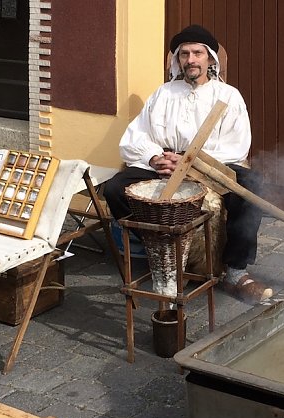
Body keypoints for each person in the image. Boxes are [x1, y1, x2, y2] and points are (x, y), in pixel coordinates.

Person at [104, 24, 272, 303]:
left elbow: (236, 145)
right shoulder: (163, 93)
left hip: (212, 165)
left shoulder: (228, 96)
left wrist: (191, 162)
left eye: (197, 53)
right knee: (114, 188)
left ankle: (234, 271)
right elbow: (137, 135)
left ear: (210, 59)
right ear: (178, 60)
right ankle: (157, 249)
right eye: (184, 54)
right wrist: (155, 158)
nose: (191, 60)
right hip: (164, 163)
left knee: (251, 189)